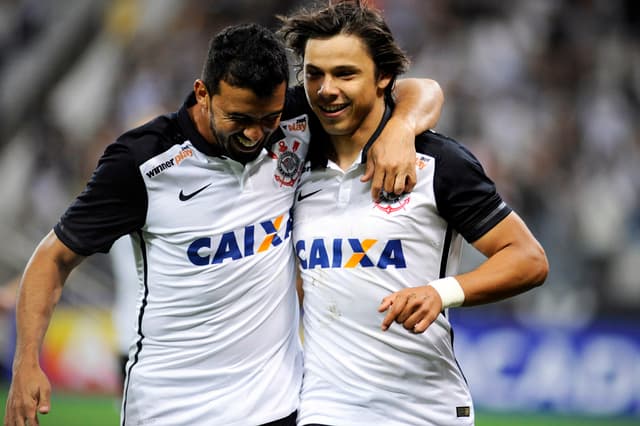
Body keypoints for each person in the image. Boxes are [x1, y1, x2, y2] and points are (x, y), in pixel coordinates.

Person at [4, 23, 444, 426]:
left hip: (276, 406)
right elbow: (52, 258)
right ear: (202, 93)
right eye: (239, 119)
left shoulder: (295, 119)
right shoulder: (142, 163)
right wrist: (26, 362)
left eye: (267, 120)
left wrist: (400, 129)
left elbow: (420, 90)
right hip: (169, 409)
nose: (255, 135)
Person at [279, 2, 549, 425]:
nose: (326, 89)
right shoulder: (292, 163)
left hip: (424, 409)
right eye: (315, 74)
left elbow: (528, 259)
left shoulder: (438, 163)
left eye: (346, 74)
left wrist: (442, 292)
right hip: (324, 406)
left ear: (384, 77)